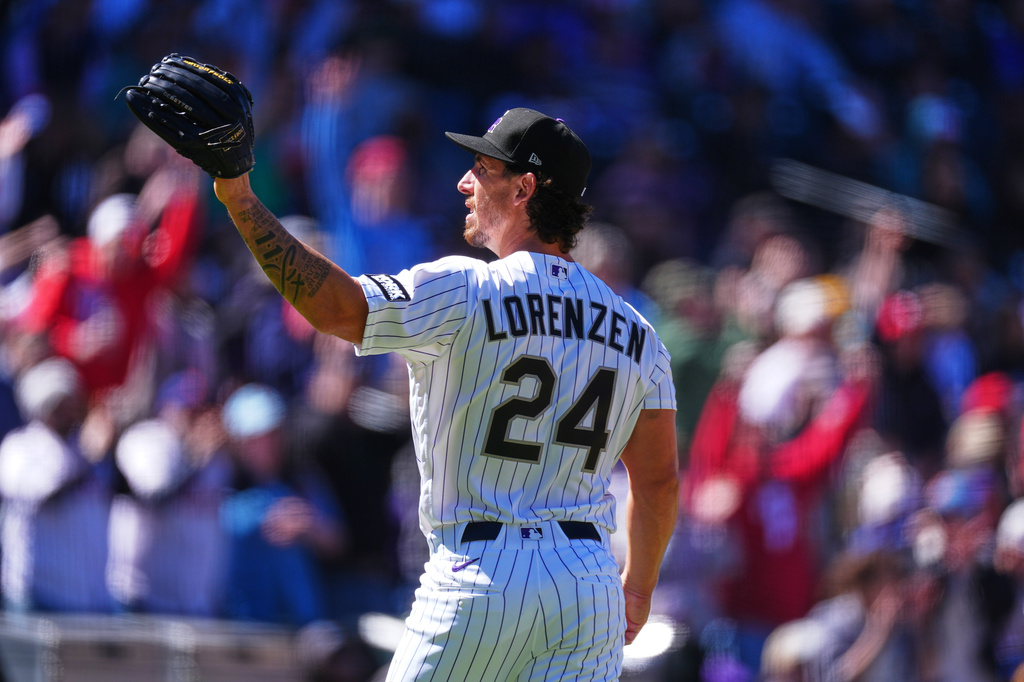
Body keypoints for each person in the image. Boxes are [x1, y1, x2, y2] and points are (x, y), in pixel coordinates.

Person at [211, 107, 679, 681]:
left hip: (481, 570)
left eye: (482, 170)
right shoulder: (638, 331)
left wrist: (239, 199)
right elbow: (657, 481)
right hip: (586, 585)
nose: (464, 183)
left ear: (525, 187)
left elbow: (336, 308)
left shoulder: (465, 289)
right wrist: (637, 586)